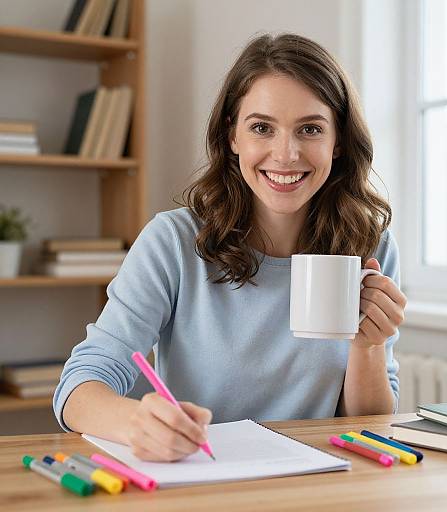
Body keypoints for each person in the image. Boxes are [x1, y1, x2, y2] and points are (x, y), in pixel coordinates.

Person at [54, 32, 407, 462]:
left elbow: (367, 426)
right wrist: (137, 425)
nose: (286, 154)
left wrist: (367, 347)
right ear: (233, 137)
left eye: (310, 129)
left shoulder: (370, 247)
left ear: (338, 143)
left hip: (319, 484)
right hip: (203, 478)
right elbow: (80, 384)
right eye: (261, 127)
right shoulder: (174, 242)